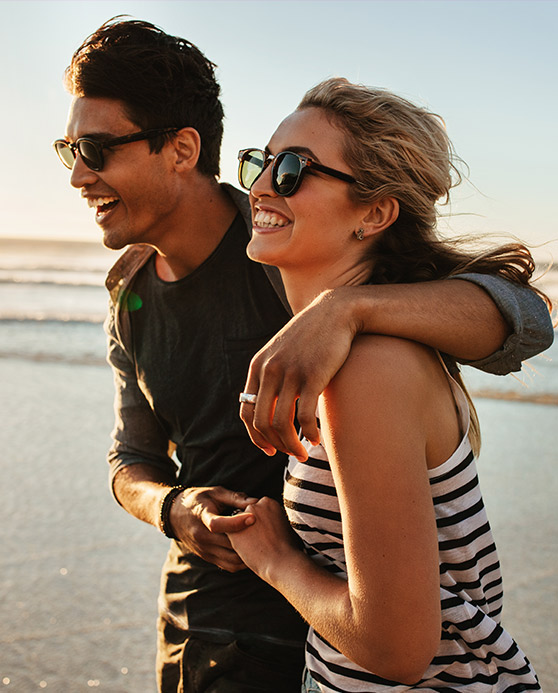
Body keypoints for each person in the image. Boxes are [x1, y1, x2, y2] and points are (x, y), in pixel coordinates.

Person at [54, 18, 553, 693]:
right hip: (203, 625)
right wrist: (175, 508)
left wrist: (346, 310)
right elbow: (130, 458)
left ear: (180, 148)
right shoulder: (130, 294)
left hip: (311, 638)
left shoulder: (291, 252)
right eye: (69, 150)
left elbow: (525, 319)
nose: (78, 173)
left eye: (96, 148)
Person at [228, 78, 550, 691]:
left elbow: (396, 649)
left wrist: (274, 559)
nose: (263, 185)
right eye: (260, 161)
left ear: (374, 213)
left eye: (293, 168)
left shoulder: (367, 367)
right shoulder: (362, 347)